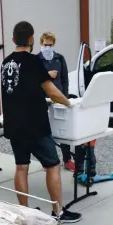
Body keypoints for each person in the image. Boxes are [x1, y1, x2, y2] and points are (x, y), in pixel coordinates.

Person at [0, 21, 82, 222]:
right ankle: (58, 212)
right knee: (53, 165)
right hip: (35, 124)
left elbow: (19, 90)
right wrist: (69, 103)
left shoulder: (5, 63)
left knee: (21, 167)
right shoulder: (33, 61)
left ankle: (24, 212)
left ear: (13, 40)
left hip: (14, 124)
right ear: (31, 39)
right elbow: (52, 91)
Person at [37, 31, 75, 172]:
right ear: (41, 44)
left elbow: (65, 79)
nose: (48, 47)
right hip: (43, 100)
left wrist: (65, 98)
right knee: (45, 131)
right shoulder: (36, 60)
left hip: (58, 100)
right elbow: (34, 79)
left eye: (50, 45)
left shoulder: (59, 58)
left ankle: (67, 160)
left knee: (63, 130)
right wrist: (47, 75)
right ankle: (48, 161)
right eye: (45, 44)